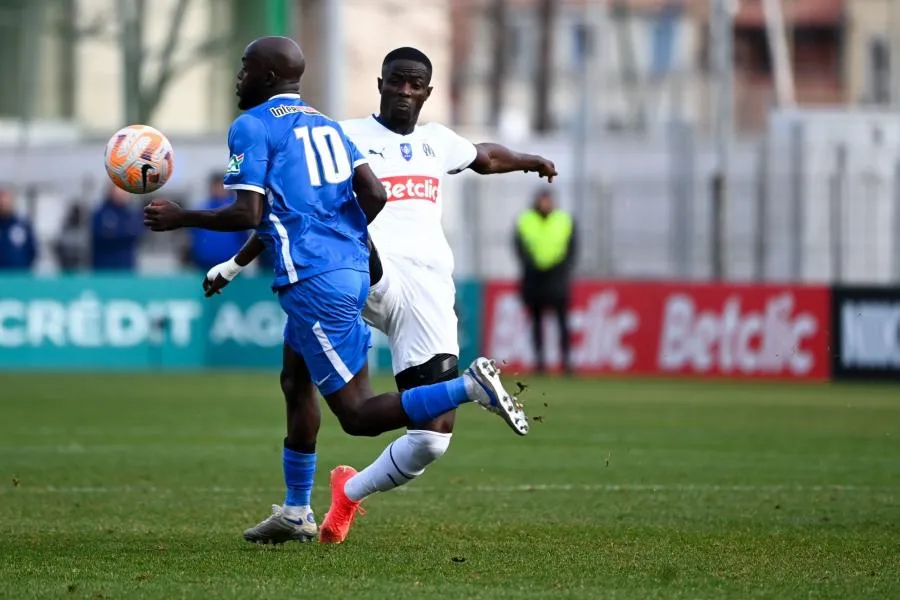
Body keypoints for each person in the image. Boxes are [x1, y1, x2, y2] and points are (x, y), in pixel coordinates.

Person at [142, 37, 528, 545]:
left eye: (244, 67)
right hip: (357, 270)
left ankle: (469, 388)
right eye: (397, 81)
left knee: (361, 416)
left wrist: (181, 216)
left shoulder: (254, 127)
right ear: (380, 85)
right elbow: (366, 195)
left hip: (326, 279)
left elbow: (252, 213)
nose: (238, 76)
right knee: (295, 377)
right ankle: (299, 508)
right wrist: (241, 265)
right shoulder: (330, 127)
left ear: (265, 75)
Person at [514, 188, 577, 375]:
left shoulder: (564, 220)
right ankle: (540, 362)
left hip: (557, 277)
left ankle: (566, 362)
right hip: (534, 278)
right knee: (536, 321)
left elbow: (572, 248)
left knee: (562, 322)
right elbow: (518, 246)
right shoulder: (526, 220)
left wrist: (563, 267)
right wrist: (529, 264)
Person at [186, 174, 249, 271]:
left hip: (230, 264)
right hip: (204, 263)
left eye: (221, 186)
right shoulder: (201, 208)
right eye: (215, 186)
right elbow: (193, 235)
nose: (218, 189)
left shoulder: (236, 209)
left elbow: (244, 236)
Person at [91, 184, 143, 271]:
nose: (121, 196)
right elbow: (101, 235)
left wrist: (116, 234)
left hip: (126, 267)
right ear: (110, 193)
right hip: (104, 267)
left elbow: (138, 232)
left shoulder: (131, 214)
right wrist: (124, 234)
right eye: (118, 193)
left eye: (124, 193)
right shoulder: (100, 213)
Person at [0, 187, 37, 271]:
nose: (4, 204)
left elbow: (32, 250)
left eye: (7, 202)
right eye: (2, 202)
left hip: (19, 275)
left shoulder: (22, 225)